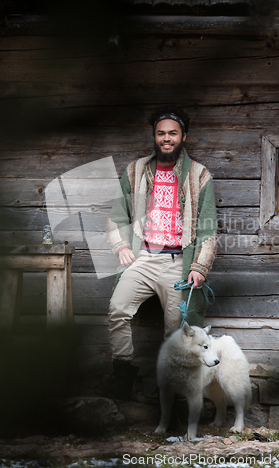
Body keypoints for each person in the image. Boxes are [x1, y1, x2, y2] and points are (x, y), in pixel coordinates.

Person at [105, 105, 217, 399]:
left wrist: (199, 267)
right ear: (154, 136)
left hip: (177, 263)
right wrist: (122, 246)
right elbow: (117, 214)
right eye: (161, 133)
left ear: (184, 136)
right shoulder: (136, 170)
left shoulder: (199, 175)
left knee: (175, 331)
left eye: (173, 133)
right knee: (118, 309)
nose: (166, 138)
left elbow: (207, 229)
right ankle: (122, 375)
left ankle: (170, 393)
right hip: (143, 258)